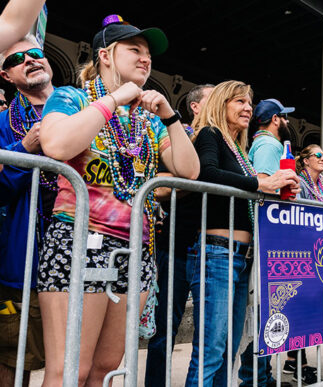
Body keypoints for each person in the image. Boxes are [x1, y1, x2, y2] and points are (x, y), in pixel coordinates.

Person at [37, 15, 200, 385]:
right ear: (106, 55)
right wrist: (113, 100)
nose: (146, 59)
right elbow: (57, 144)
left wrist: (171, 116)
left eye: (149, 55)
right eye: (135, 50)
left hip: (134, 252)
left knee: (107, 369)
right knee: (69, 371)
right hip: (79, 243)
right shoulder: (71, 97)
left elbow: (189, 171)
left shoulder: (148, 121)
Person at [186, 80, 299, 386]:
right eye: (238, 101)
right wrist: (260, 183)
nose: (247, 107)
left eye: (249, 102)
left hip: (239, 255)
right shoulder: (210, 134)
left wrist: (277, 188)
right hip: (216, 250)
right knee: (211, 349)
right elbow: (204, 172)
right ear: (220, 104)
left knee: (228, 349)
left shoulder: (240, 149)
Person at [144, 83, 214, 387]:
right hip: (177, 244)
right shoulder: (179, 134)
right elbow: (157, 185)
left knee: (209, 332)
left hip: (212, 249)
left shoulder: (224, 141)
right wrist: (198, 178)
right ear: (196, 107)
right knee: (164, 329)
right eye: (216, 98)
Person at [0, 33, 57, 387]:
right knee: (13, 353)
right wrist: (24, 148)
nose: (29, 60)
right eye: (15, 60)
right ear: (5, 75)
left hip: (84, 253)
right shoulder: (4, 123)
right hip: (24, 257)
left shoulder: (82, 108)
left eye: (35, 53)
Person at [239, 97, 297, 387]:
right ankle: (254, 379)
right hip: (264, 238)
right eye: (284, 117)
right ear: (276, 119)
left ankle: (263, 376)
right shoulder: (268, 145)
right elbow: (263, 183)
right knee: (262, 312)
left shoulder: (267, 144)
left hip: (266, 237)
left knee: (267, 311)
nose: (287, 123)